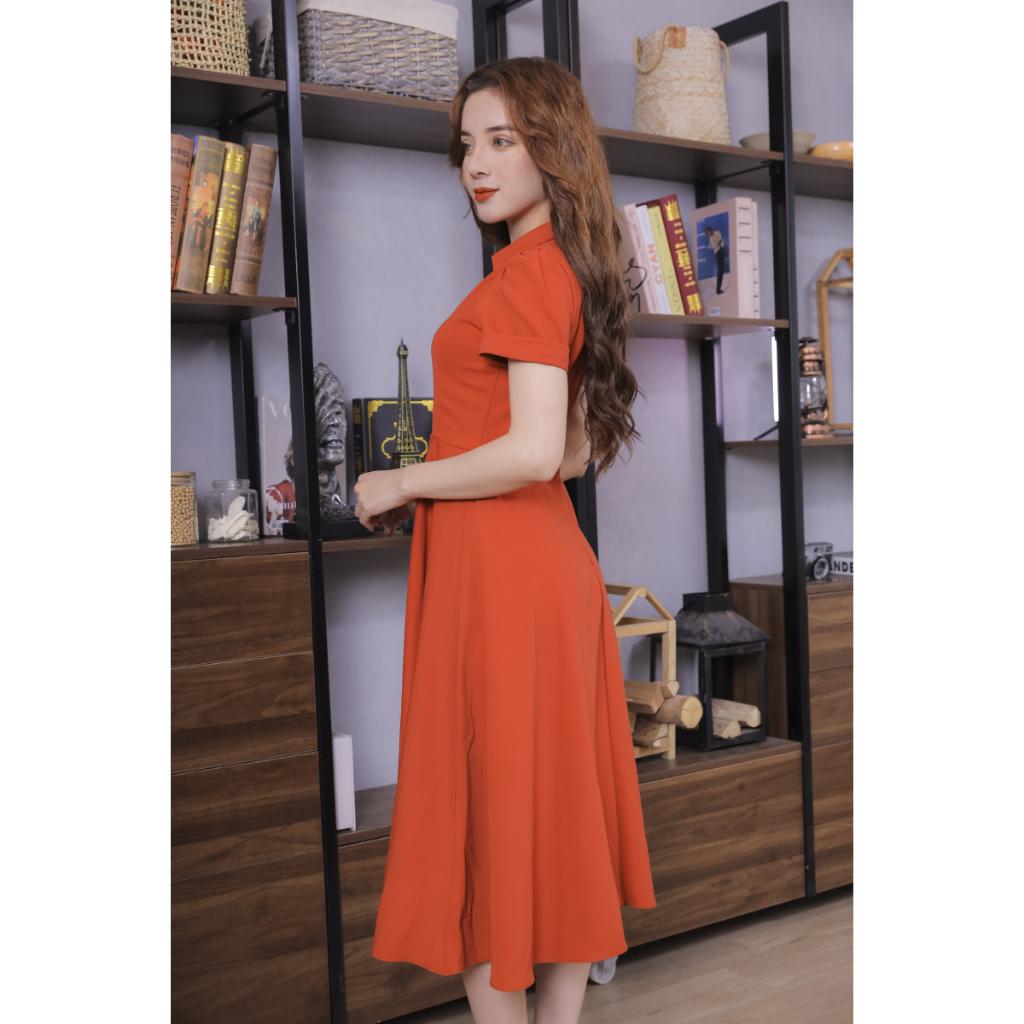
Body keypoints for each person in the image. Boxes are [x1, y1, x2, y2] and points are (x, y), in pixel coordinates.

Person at [354, 56, 657, 1024]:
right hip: (542, 568)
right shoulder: (569, 270)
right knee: (552, 818)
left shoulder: (529, 275)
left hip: (498, 578)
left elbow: (530, 451)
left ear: (553, 150)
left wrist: (401, 479)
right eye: (465, 146)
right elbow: (569, 453)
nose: (475, 165)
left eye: (501, 141)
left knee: (489, 817)